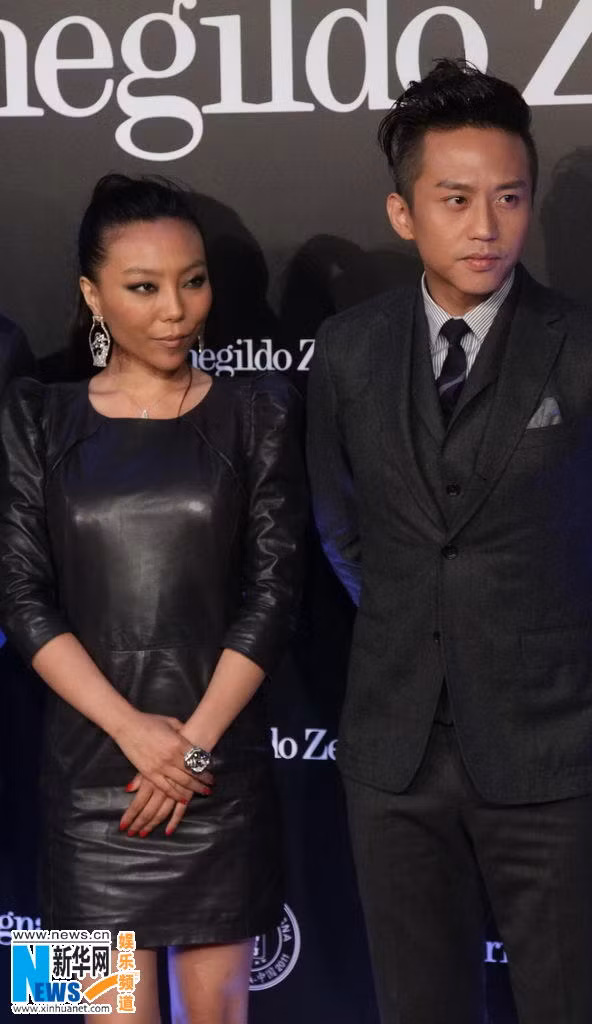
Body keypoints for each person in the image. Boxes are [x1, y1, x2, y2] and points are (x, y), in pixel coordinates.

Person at [306, 59, 592, 1024]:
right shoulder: (347, 350)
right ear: (403, 213)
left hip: (556, 755)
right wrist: (426, 628)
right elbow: (346, 531)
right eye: (457, 199)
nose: (486, 225)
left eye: (509, 198)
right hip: (395, 757)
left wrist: (578, 660)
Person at [0, 174, 306, 1023]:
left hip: (219, 780)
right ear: (92, 295)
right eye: (143, 288)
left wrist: (191, 750)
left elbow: (274, 594)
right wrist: (137, 734)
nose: (175, 310)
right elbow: (21, 597)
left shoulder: (260, 410)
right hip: (83, 793)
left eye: (192, 281)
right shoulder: (33, 416)